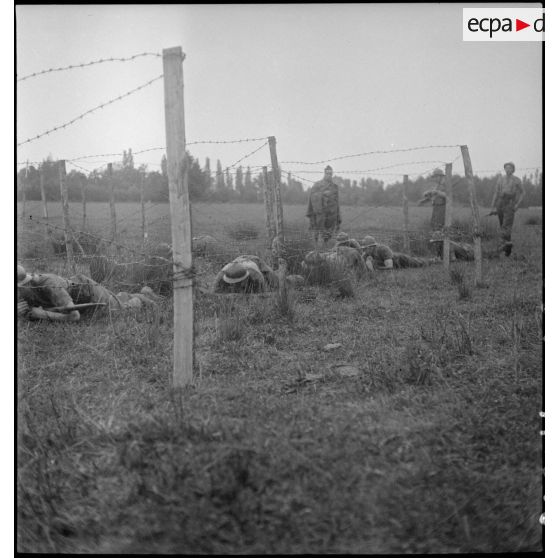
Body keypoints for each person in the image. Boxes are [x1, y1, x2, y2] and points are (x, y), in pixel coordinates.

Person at [17, 264, 159, 322]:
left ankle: (143, 296)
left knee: (121, 310)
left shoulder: (50, 285)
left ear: (24, 284)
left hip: (90, 293)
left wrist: (42, 314)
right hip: (81, 291)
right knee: (116, 300)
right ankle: (131, 294)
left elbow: (74, 316)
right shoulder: (28, 286)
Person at [489, 161, 525, 256]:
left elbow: (522, 193)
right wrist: (493, 206)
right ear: (504, 169)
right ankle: (507, 248)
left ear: (513, 170)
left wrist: (517, 204)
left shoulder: (517, 180)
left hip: (510, 204)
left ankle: (502, 247)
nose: (508, 169)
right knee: (503, 226)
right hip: (500, 204)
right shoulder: (500, 179)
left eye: (510, 168)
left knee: (506, 226)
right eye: (506, 168)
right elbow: (496, 193)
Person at [306, 165, 341, 246]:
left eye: (331, 174)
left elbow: (337, 203)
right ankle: (316, 249)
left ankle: (326, 247)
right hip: (319, 214)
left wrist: (338, 217)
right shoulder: (317, 185)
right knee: (317, 233)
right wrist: (323, 194)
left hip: (331, 215)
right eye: (327, 173)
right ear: (324, 173)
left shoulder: (334, 187)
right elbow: (312, 199)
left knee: (328, 236)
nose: (329, 175)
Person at [360, 236, 430, 269]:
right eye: (364, 249)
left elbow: (390, 267)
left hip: (401, 260)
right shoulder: (366, 254)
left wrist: (376, 268)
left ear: (372, 247)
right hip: (396, 265)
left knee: (419, 263)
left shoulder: (383, 249)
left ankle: (432, 261)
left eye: (366, 248)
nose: (365, 250)